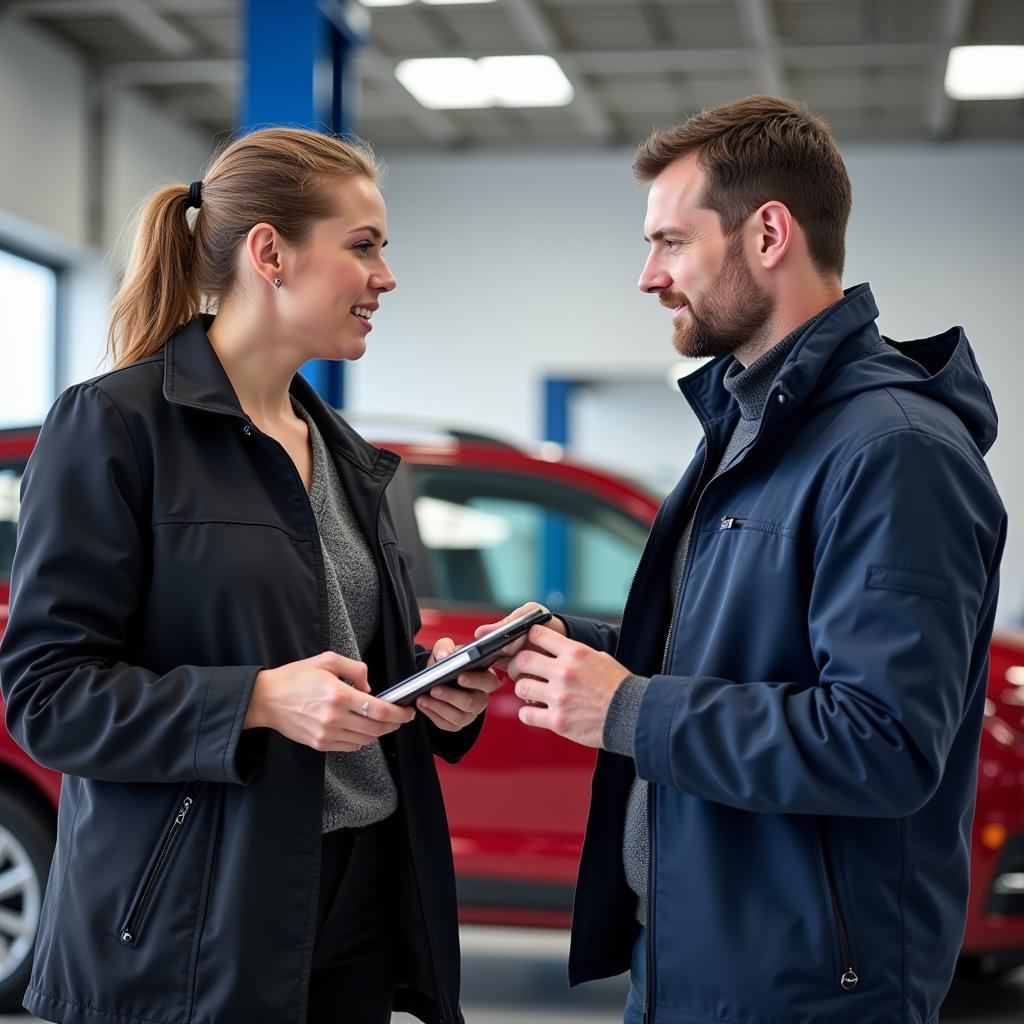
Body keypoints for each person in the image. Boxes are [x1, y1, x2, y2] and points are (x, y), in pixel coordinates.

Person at [469, 97, 1007, 1024]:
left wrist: (626, 708)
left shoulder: (896, 453)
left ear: (767, 234)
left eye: (672, 241)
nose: (648, 276)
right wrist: (568, 652)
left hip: (806, 994)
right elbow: (733, 654)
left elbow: (884, 742)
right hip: (682, 957)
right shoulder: (750, 429)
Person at [0, 127, 498, 1024]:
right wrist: (258, 701)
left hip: (355, 899)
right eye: (363, 246)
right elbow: (47, 697)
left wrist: (427, 688)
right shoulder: (113, 428)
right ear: (270, 252)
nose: (385, 276)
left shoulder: (344, 457)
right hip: (195, 918)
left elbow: (326, 657)